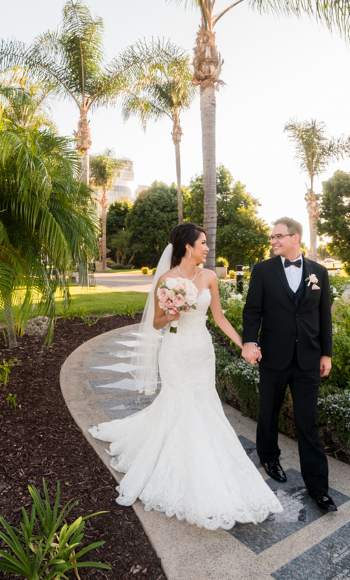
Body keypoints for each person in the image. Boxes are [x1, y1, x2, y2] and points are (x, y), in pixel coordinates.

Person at [89, 222, 282, 530]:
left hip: (201, 351)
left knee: (204, 403)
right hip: (176, 351)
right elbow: (156, 323)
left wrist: (245, 345)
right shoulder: (166, 279)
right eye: (203, 243)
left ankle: (207, 461)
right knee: (179, 403)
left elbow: (218, 318)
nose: (207, 248)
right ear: (188, 247)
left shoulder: (209, 277)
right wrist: (171, 314)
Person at [241, 218, 337, 513]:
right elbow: (252, 310)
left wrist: (326, 354)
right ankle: (269, 458)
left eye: (278, 236)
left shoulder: (318, 272)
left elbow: (324, 317)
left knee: (308, 422)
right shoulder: (262, 270)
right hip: (274, 356)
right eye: (271, 237)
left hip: (308, 358)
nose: (273, 241)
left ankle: (318, 487)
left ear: (295, 238)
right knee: (268, 411)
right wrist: (249, 342)